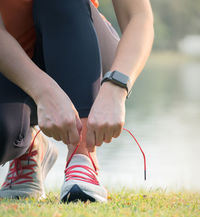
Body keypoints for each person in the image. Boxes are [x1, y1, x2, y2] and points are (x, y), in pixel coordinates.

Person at [0, 0, 154, 203]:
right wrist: (43, 90)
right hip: (9, 61)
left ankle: (82, 156)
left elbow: (139, 16)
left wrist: (116, 85)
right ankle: (29, 147)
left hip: (81, 38)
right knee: (3, 135)